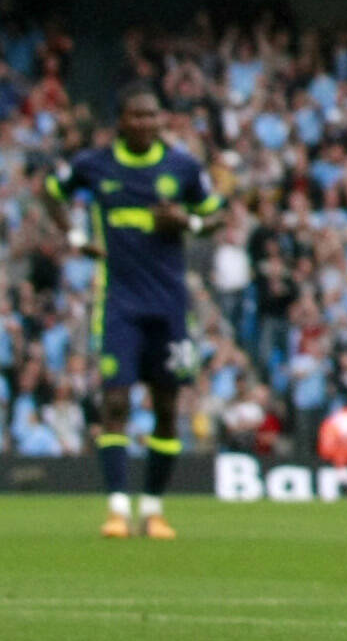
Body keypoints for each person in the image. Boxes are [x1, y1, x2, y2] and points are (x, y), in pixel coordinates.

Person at [48, 83, 224, 538]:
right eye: (137, 116)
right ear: (121, 121)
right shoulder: (95, 164)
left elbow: (217, 215)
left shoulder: (181, 166)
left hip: (169, 306)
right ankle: (117, 508)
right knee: (115, 400)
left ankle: (154, 508)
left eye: (153, 117)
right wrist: (72, 237)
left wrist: (190, 222)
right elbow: (52, 191)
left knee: (167, 406)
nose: (146, 124)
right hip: (119, 301)